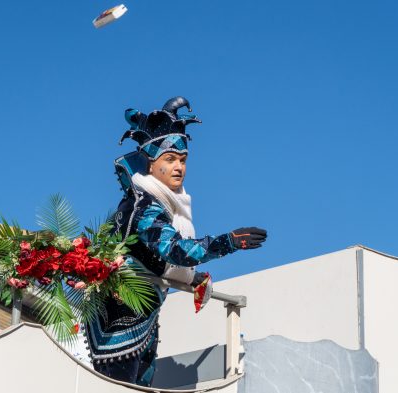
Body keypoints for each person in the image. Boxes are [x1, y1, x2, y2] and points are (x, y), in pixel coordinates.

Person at [85, 97, 267, 386]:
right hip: (120, 321)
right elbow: (173, 250)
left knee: (141, 387)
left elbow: (160, 260)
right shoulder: (144, 207)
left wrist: (193, 279)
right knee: (119, 388)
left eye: (182, 160)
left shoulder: (163, 203)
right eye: (169, 160)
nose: (178, 167)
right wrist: (229, 242)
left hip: (143, 316)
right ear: (150, 164)